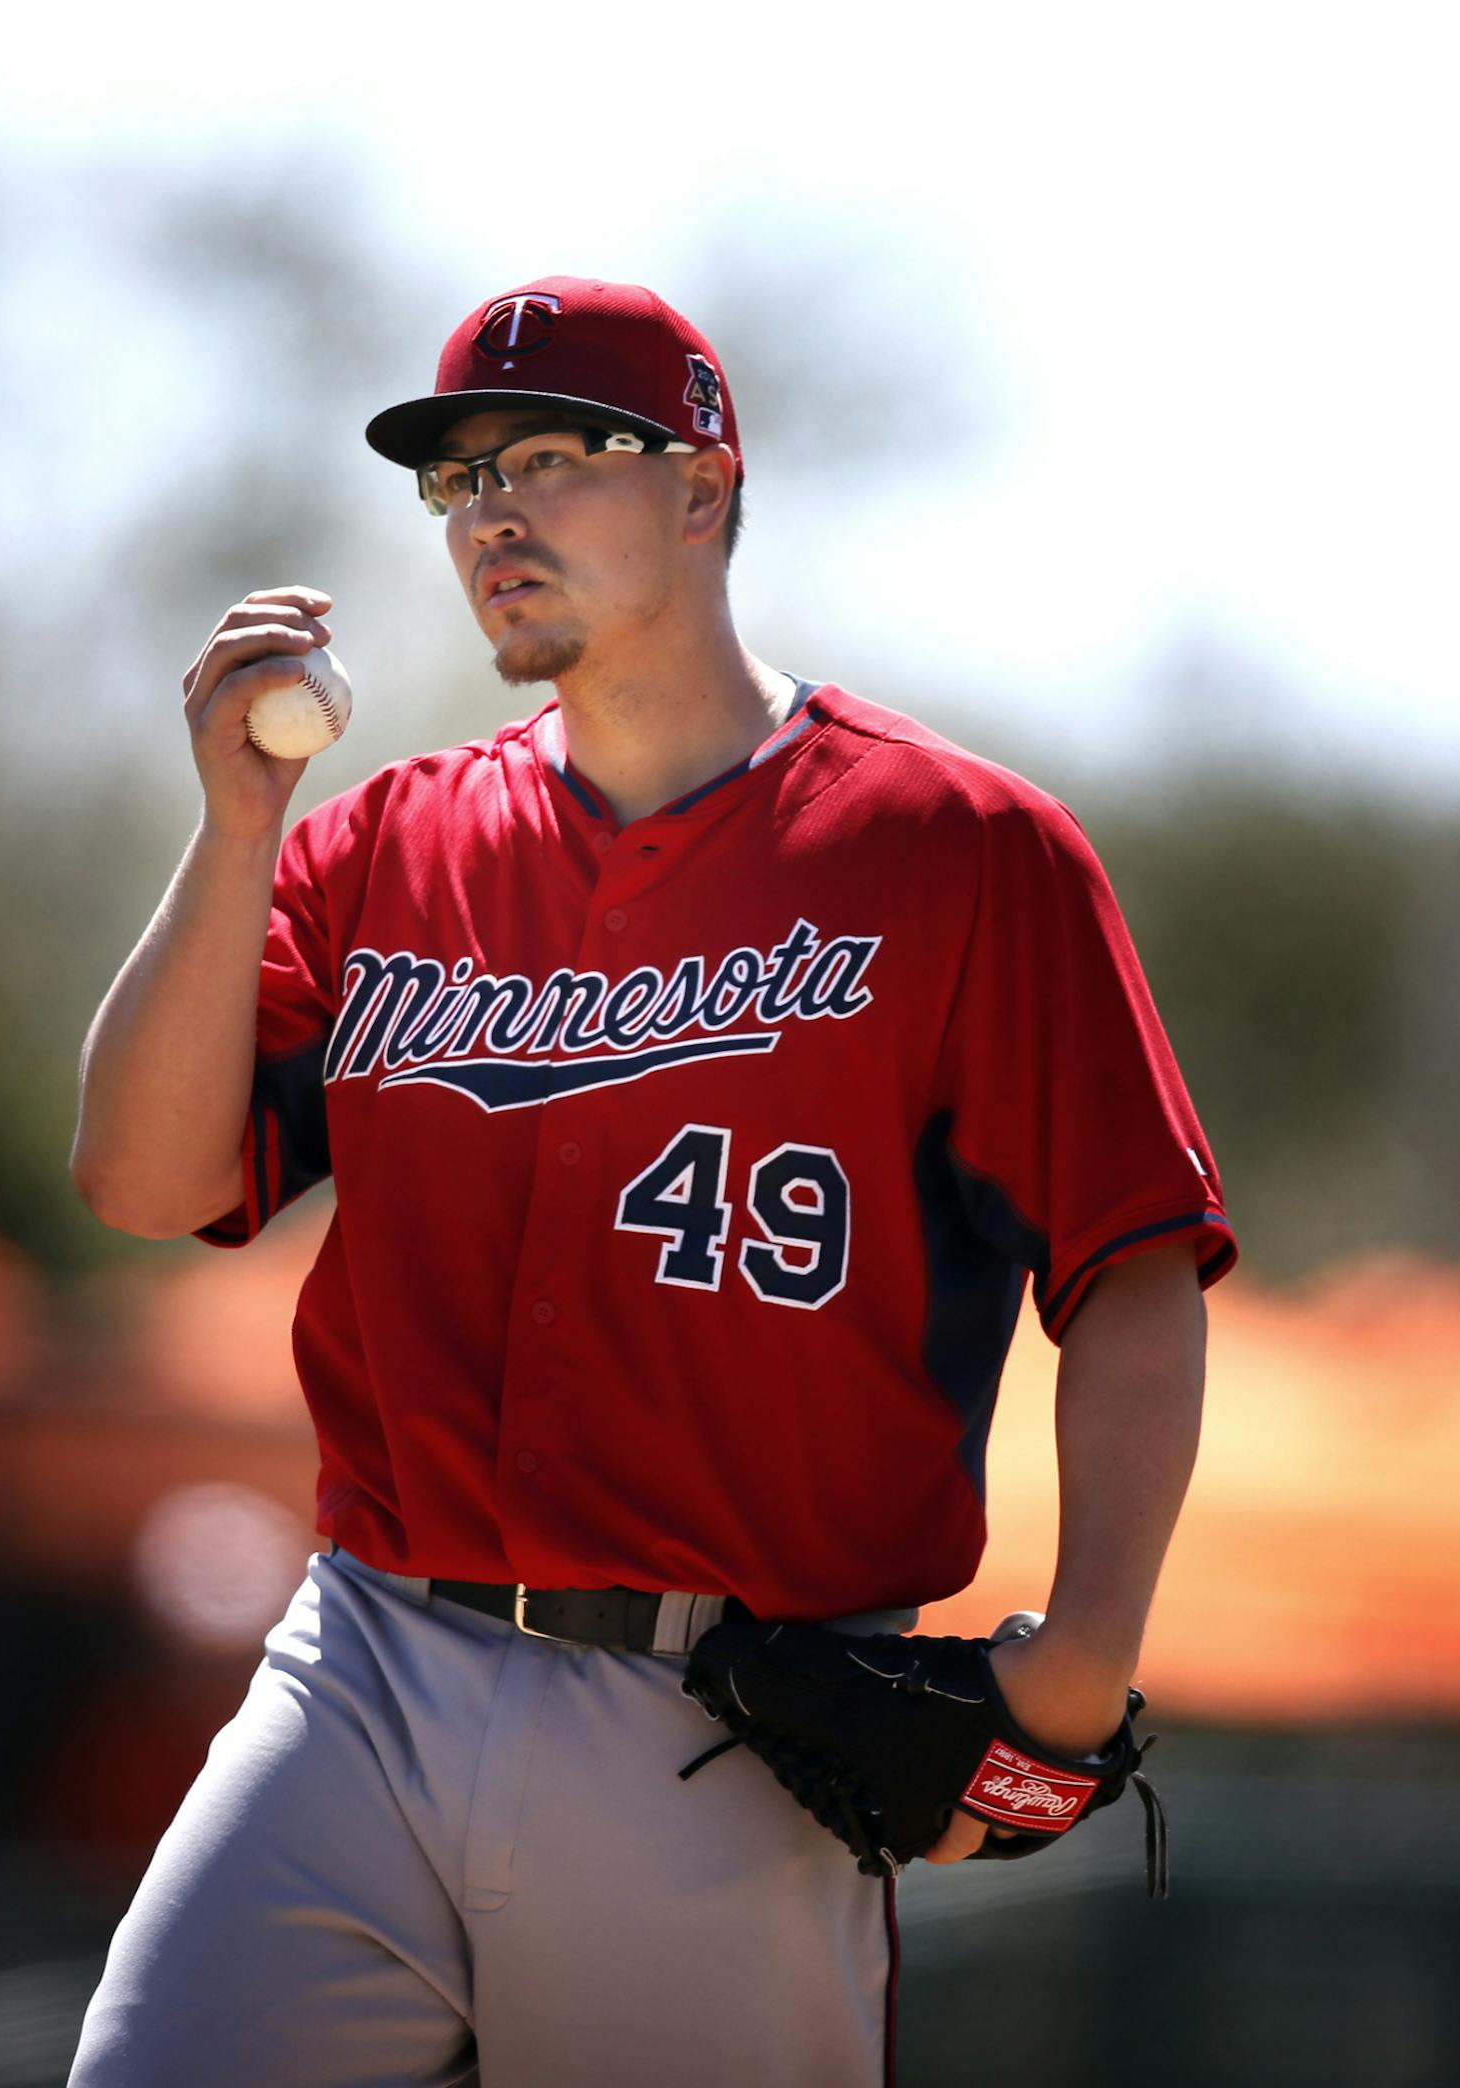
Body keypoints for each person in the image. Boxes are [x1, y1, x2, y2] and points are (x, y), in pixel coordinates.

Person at [64, 275, 1236, 2087]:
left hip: (723, 1716)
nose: (491, 515)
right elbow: (144, 1182)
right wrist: (236, 838)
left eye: (548, 457)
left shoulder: (956, 852)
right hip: (367, 1651)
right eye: (457, 482)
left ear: (704, 486)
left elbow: (1135, 1270)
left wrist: (1085, 1656)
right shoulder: (388, 846)